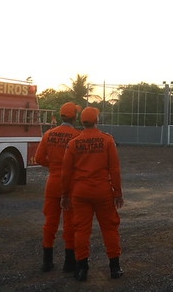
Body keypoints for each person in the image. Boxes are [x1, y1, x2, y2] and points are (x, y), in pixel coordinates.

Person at [62, 107, 124, 281]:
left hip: (80, 192)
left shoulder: (74, 143)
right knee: (110, 228)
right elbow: (115, 169)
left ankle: (81, 269)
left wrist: (65, 194)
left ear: (82, 121)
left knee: (81, 230)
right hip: (103, 191)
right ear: (97, 119)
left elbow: (66, 172)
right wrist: (118, 192)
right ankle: (114, 268)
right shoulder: (107, 140)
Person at [34, 101, 81, 272]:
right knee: (70, 223)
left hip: (53, 182)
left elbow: (38, 159)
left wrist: (54, 166)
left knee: (50, 222)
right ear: (74, 117)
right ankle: (69, 263)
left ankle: (47, 262)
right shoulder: (77, 136)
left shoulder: (49, 134)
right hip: (70, 184)